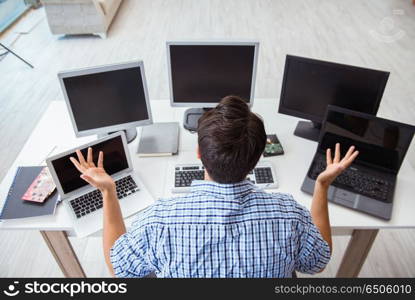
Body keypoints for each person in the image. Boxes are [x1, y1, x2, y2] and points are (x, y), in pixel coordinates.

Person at [69, 96, 359, 277]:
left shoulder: (160, 220)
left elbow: (118, 269)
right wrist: (321, 187)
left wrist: (109, 192)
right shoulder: (289, 214)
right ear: (257, 159)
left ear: (198, 154)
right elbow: (318, 263)